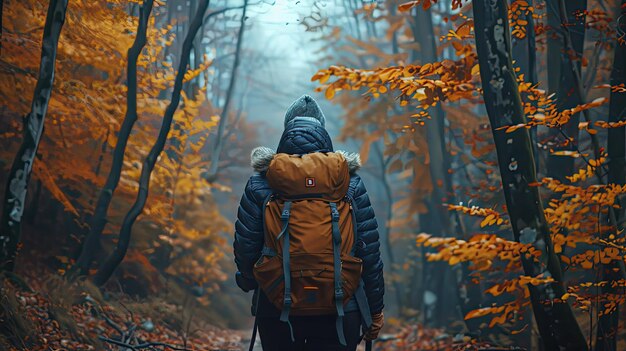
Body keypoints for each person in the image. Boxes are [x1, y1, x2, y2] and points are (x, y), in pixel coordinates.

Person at [233, 95, 384, 351]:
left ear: (286, 130)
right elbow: (368, 251)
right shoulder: (349, 182)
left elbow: (246, 246)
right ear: (323, 131)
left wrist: (250, 280)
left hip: (276, 305)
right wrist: (375, 309)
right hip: (341, 306)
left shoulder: (262, 182)